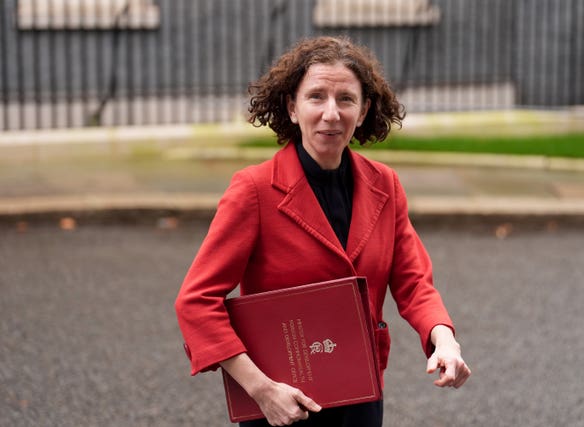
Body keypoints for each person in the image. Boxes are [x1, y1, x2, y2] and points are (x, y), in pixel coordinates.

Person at [175, 35, 470, 427]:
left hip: (360, 393)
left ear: (364, 110)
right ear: (292, 108)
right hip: (280, 403)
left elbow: (414, 283)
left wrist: (444, 340)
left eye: (346, 99)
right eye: (316, 97)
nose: (331, 113)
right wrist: (261, 389)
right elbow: (195, 301)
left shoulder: (385, 184)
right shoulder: (253, 190)